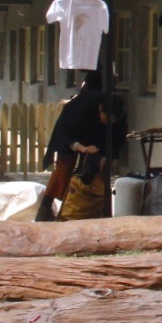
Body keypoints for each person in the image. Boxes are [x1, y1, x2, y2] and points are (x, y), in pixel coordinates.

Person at [37, 82, 123, 222]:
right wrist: (82, 148)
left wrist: (106, 157)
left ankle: (101, 211)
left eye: (112, 122)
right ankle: (46, 210)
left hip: (97, 139)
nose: (108, 123)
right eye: (106, 119)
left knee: (99, 173)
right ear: (100, 108)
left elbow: (117, 141)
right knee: (63, 172)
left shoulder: (118, 119)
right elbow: (65, 137)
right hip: (72, 134)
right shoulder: (79, 109)